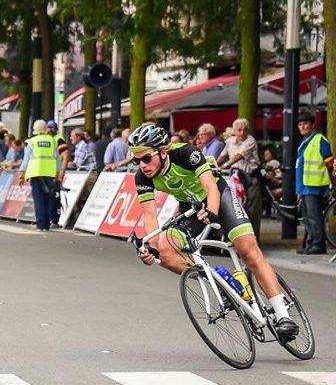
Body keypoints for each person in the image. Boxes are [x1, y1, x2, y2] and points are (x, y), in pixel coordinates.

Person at [128, 123, 299, 341]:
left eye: (145, 158)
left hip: (219, 198)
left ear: (163, 151)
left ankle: (283, 316)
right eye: (136, 160)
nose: (141, 165)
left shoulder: (186, 153)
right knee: (164, 250)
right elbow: (150, 217)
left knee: (248, 252)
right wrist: (150, 247)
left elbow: (210, 187)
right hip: (190, 208)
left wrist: (212, 210)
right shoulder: (142, 177)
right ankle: (223, 283)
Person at [295, 111, 335, 255]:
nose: (302, 126)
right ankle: (311, 243)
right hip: (305, 186)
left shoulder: (319, 140)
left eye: (305, 123)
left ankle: (318, 244)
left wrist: (333, 183)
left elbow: (330, 164)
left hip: (315, 185)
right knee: (307, 217)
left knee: (314, 216)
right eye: (300, 124)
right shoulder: (305, 142)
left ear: (313, 125)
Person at [217, 119, 262, 240]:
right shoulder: (230, 141)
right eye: (239, 130)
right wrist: (214, 165)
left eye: (245, 130)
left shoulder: (250, 141)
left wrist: (225, 165)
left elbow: (239, 156)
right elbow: (222, 155)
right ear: (234, 131)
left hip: (250, 178)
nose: (242, 133)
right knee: (235, 209)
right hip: (236, 178)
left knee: (252, 211)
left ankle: (253, 240)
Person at [16, 120, 59, 232]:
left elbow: (26, 160)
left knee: (38, 200)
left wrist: (21, 174)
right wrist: (58, 173)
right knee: (47, 200)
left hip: (36, 174)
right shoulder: (53, 141)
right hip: (49, 173)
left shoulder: (32, 142)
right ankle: (46, 224)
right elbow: (57, 159)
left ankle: (41, 224)